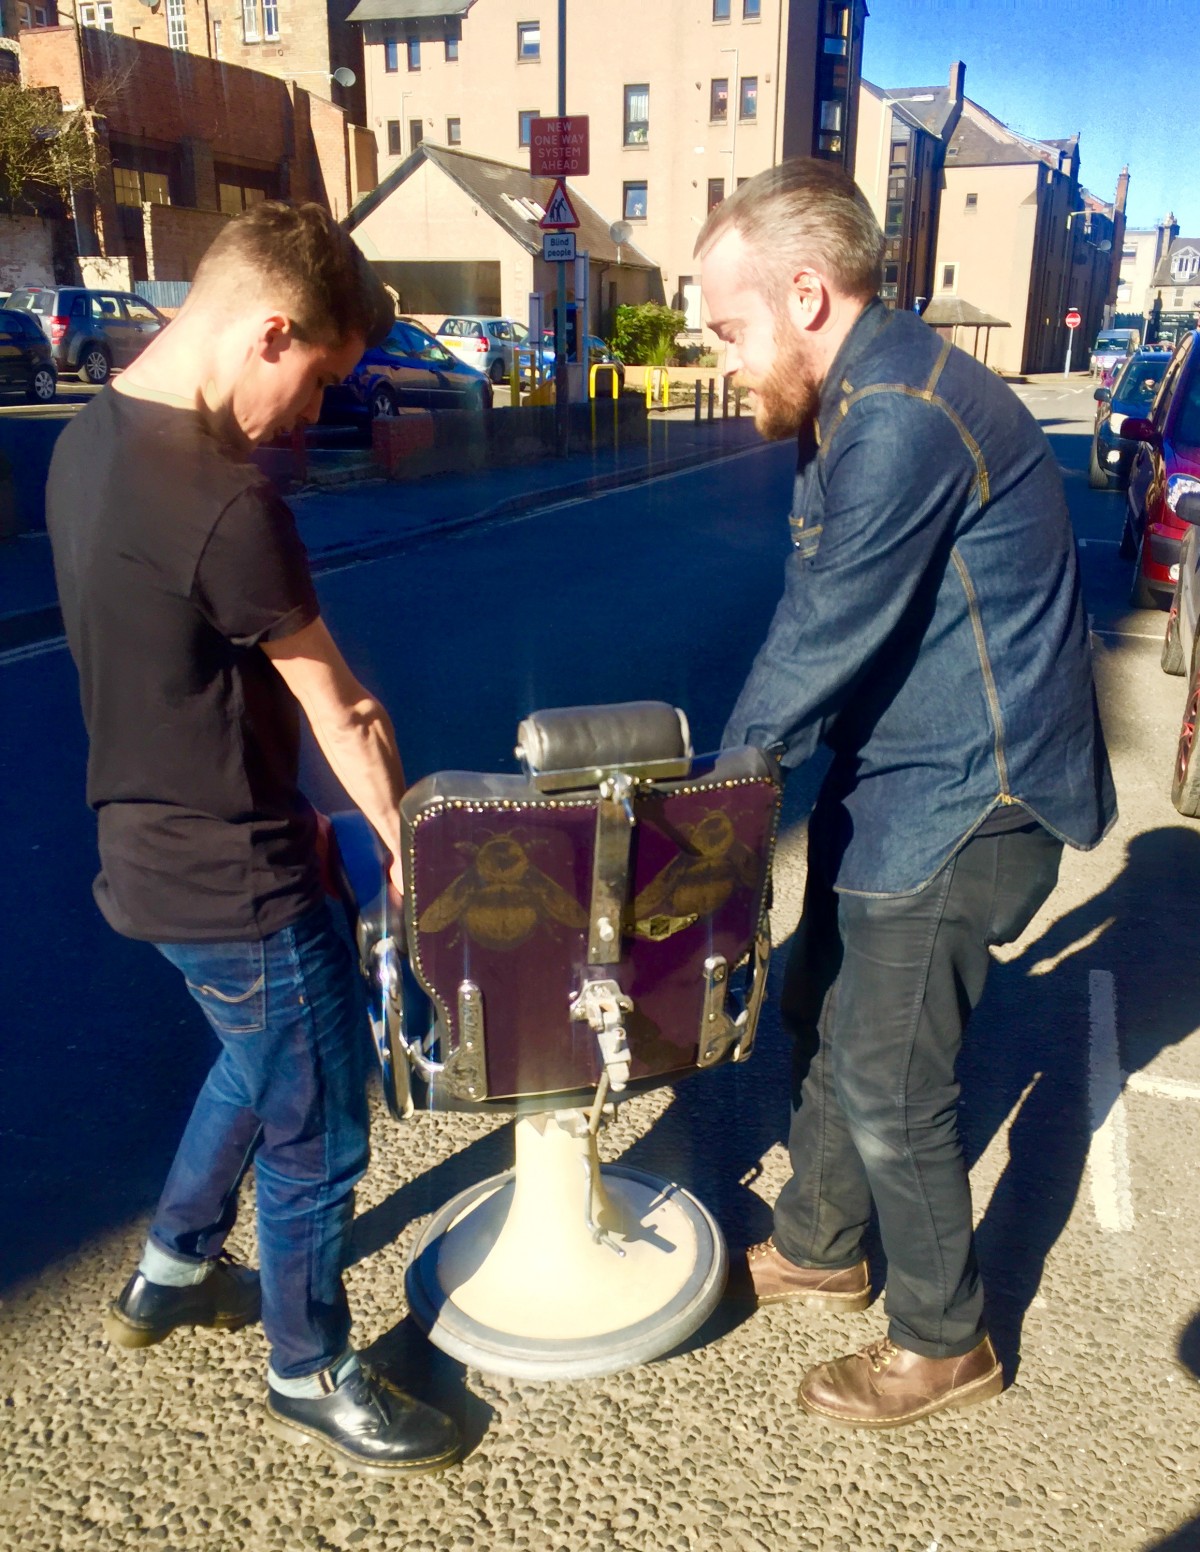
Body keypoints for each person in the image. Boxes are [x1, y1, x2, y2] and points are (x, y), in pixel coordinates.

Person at [696, 161, 1115, 1428]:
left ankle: (947, 1339)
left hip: (967, 793)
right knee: (821, 1013)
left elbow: (824, 626)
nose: (720, 358)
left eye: (729, 327)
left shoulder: (901, 418)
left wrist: (710, 810)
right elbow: (828, 622)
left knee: (888, 1079)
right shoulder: (865, 395)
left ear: (808, 295)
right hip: (899, 773)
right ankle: (823, 1244)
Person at [46, 202, 461, 1475]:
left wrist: (304, 814)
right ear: (269, 330)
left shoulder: (83, 440)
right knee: (321, 1120)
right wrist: (408, 847)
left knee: (254, 1055)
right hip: (239, 883)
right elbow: (343, 706)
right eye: (320, 378)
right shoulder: (226, 501)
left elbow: (184, 689)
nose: (311, 415)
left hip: (149, 858)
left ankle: (173, 1265)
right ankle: (308, 1362)